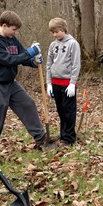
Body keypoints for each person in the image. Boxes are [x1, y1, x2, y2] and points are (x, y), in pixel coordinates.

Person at [0, 11, 49, 152]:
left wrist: (33, 62)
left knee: (28, 104)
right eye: (14, 29)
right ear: (4, 26)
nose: (16, 33)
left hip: (10, 83)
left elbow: (21, 56)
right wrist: (30, 52)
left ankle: (41, 139)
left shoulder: (12, 40)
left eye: (17, 30)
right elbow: (9, 60)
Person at [45, 17, 81, 146]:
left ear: (63, 29)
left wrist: (72, 82)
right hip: (55, 83)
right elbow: (49, 64)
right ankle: (63, 134)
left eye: (57, 31)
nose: (55, 34)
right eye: (52, 32)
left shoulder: (73, 44)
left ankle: (69, 137)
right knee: (60, 110)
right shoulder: (53, 45)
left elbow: (76, 64)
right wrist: (48, 83)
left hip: (67, 84)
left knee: (68, 111)